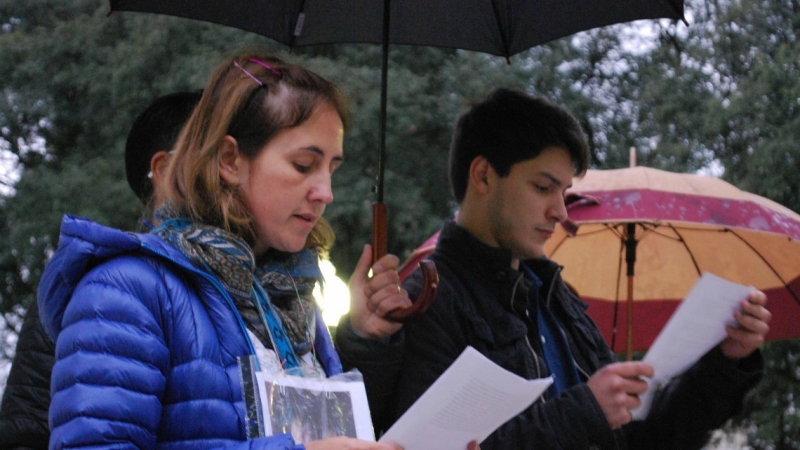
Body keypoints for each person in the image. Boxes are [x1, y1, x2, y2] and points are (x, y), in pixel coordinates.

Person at [335, 88, 772, 450]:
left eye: (564, 191)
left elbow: (647, 439)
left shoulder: (554, 294)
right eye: (543, 187)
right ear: (483, 176)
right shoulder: (427, 299)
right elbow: (428, 446)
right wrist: (583, 412)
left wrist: (724, 362)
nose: (560, 211)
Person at [37, 53, 411, 449]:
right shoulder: (124, 291)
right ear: (230, 160)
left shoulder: (292, 299)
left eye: (332, 169)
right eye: (304, 165)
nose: (326, 194)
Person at [0, 90, 202, 450]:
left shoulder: (251, 290)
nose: (235, 171)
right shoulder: (100, 286)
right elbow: (25, 431)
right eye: (220, 154)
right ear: (164, 169)